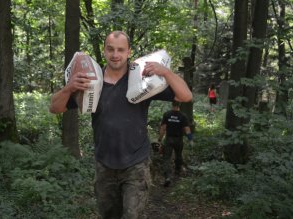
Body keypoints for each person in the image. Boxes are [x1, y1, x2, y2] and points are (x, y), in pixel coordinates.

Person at [49, 30, 192, 219]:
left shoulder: (141, 80)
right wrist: (69, 87)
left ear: (128, 52)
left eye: (120, 50)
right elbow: (55, 108)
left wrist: (165, 71)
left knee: (132, 215)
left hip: (136, 164)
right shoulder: (91, 80)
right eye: (110, 49)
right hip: (104, 164)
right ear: (104, 50)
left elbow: (186, 96)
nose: (115, 55)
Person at [158, 101, 192, 187]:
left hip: (169, 139)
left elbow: (163, 128)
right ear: (179, 105)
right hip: (179, 139)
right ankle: (177, 173)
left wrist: (160, 139)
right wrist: (190, 139)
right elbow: (187, 129)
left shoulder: (167, 114)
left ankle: (167, 177)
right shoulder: (183, 116)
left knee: (166, 158)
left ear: (172, 104)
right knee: (178, 156)